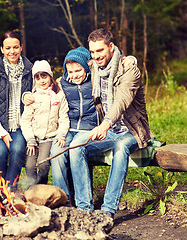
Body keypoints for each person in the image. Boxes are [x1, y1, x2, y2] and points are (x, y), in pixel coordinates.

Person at [70, 29, 154, 217]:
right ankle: (84, 209)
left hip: (132, 130)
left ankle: (107, 210)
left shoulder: (129, 69)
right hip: (108, 129)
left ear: (111, 46)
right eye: (92, 52)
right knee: (76, 145)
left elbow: (121, 101)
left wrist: (105, 124)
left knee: (120, 146)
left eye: (100, 51)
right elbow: (72, 69)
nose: (96, 56)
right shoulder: (93, 67)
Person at [0, 31, 33, 192]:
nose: (12, 51)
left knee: (17, 150)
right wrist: (2, 133)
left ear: (21, 47)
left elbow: (44, 87)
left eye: (15, 47)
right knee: (0, 152)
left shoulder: (30, 71)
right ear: (2, 49)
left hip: (20, 127)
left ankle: (10, 190)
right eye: (8, 48)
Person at [49, 46, 99, 201]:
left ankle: (84, 202)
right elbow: (42, 91)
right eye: (70, 72)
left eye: (78, 70)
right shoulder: (62, 84)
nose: (74, 75)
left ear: (86, 67)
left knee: (75, 150)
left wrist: (131, 59)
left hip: (89, 130)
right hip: (67, 130)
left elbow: (115, 66)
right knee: (56, 153)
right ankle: (63, 200)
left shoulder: (95, 80)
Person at [20, 60, 69, 187]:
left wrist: (61, 134)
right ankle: (31, 189)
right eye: (38, 78)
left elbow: (64, 117)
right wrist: (30, 139)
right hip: (33, 138)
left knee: (43, 163)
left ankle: (42, 188)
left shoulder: (59, 96)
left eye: (44, 76)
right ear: (34, 80)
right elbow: (25, 120)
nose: (42, 81)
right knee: (30, 165)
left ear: (50, 77)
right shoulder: (32, 97)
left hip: (49, 137)